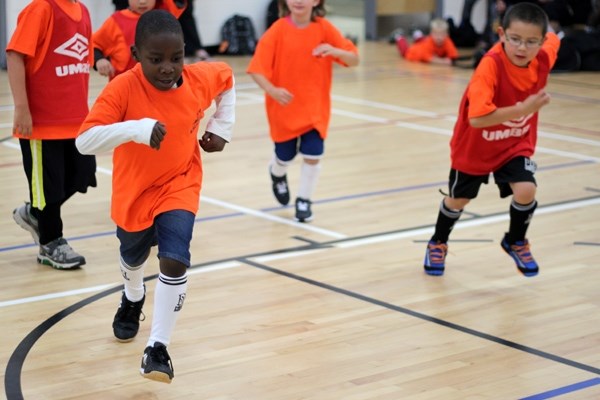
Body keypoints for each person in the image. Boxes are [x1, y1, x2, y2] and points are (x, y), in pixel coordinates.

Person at [76, 10, 235, 383]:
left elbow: (226, 80)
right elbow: (84, 141)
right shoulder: (122, 89)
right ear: (135, 54)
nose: (168, 68)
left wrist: (222, 126)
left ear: (185, 53)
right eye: (156, 59)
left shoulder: (198, 79)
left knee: (175, 259)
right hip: (134, 192)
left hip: (180, 183)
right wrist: (135, 128)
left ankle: (157, 348)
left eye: (176, 58)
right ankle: (133, 297)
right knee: (132, 257)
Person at [423, 3, 560, 277]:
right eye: (515, 39)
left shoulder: (546, 52)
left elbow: (554, 34)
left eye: (531, 41)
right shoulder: (489, 67)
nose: (522, 47)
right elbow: (477, 119)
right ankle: (438, 242)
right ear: (501, 35)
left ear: (542, 41)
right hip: (475, 146)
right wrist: (523, 109)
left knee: (526, 189)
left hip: (513, 142)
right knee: (458, 200)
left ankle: (515, 240)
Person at [247, 0, 359, 222]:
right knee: (284, 157)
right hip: (284, 108)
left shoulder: (324, 28)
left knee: (313, 156)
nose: (299, 1)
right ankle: (277, 173)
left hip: (315, 109)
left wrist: (335, 50)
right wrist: (272, 90)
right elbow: (256, 69)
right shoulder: (278, 30)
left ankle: (304, 200)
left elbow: (354, 59)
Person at [6, 0, 97, 270]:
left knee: (83, 175)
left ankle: (34, 213)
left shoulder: (83, 12)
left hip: (76, 121)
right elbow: (14, 55)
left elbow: (81, 65)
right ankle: (50, 242)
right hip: (41, 124)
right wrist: (22, 108)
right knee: (47, 189)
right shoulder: (41, 9)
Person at [94, 0, 187, 80]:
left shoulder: (165, 14)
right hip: (125, 86)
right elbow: (93, 44)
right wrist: (99, 60)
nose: (142, 1)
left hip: (158, 84)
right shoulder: (115, 21)